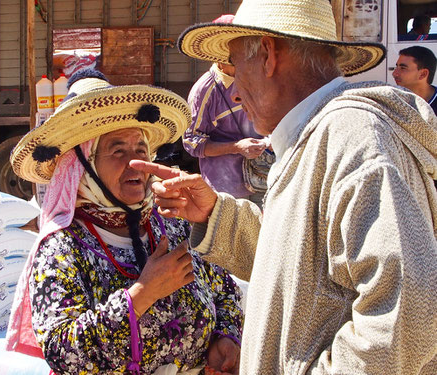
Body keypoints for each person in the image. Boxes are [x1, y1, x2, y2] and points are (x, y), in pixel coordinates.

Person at [131, 0, 437, 374]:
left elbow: (410, 310)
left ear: (268, 55)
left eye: (236, 68)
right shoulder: (319, 137)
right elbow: (302, 262)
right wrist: (216, 214)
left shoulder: (351, 137)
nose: (237, 94)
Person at [6, 69, 243, 374]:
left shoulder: (173, 224)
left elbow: (225, 289)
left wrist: (224, 339)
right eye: (117, 150)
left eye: (140, 149)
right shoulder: (62, 248)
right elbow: (62, 350)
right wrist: (141, 294)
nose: (134, 163)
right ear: (84, 167)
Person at [183, 14, 271, 207]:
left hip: (264, 179)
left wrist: (270, 140)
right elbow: (191, 142)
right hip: (226, 187)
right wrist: (236, 147)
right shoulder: (204, 90)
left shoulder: (258, 77)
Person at [393, 46, 437, 114]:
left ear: (423, 74)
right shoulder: (393, 100)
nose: (394, 74)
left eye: (403, 68)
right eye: (396, 67)